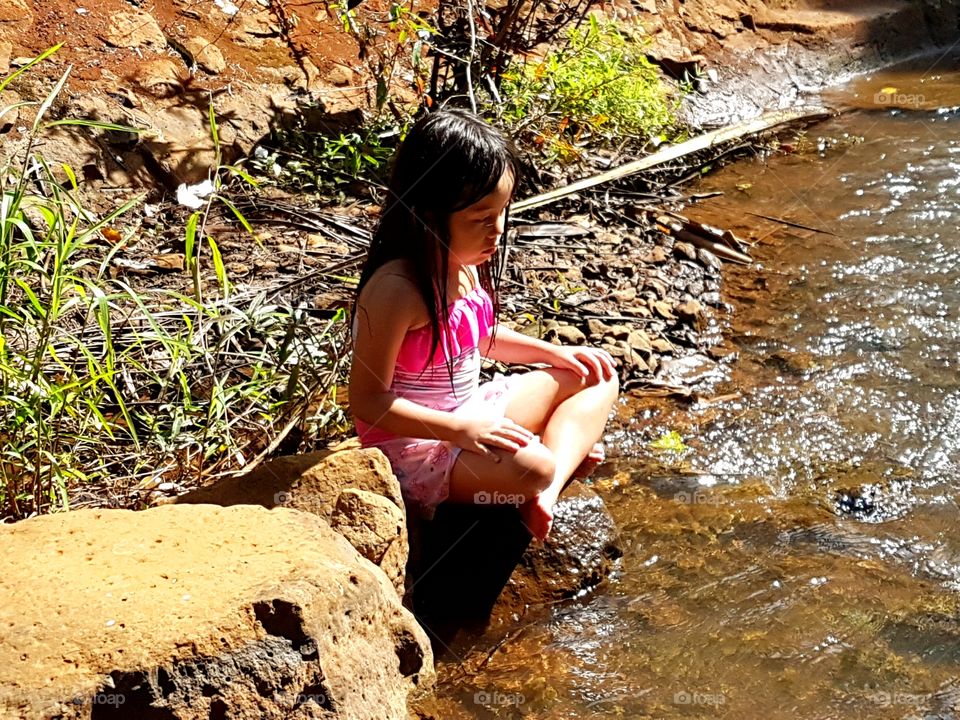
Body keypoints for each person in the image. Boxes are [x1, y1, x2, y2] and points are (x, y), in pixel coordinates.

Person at [349, 108, 619, 541]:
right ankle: (551, 467)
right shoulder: (396, 290)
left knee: (596, 373)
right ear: (427, 213)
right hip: (417, 444)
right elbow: (368, 401)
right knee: (535, 467)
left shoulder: (463, 262)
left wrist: (553, 353)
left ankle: (543, 495)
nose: (497, 230)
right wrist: (458, 430)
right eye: (480, 218)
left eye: (502, 212)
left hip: (470, 411)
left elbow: (481, 338)